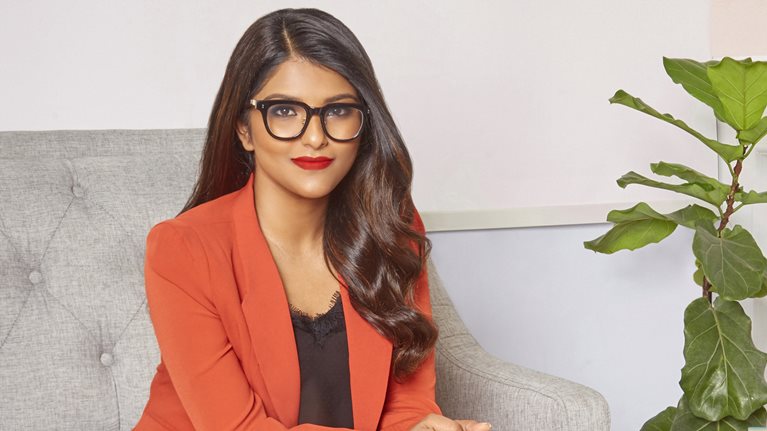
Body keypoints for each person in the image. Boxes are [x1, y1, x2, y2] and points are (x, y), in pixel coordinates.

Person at [134, 7, 492, 431]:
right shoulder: (183, 249)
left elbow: (406, 404)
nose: (316, 137)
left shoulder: (389, 228)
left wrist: (421, 427)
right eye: (285, 111)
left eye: (338, 110)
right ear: (244, 129)